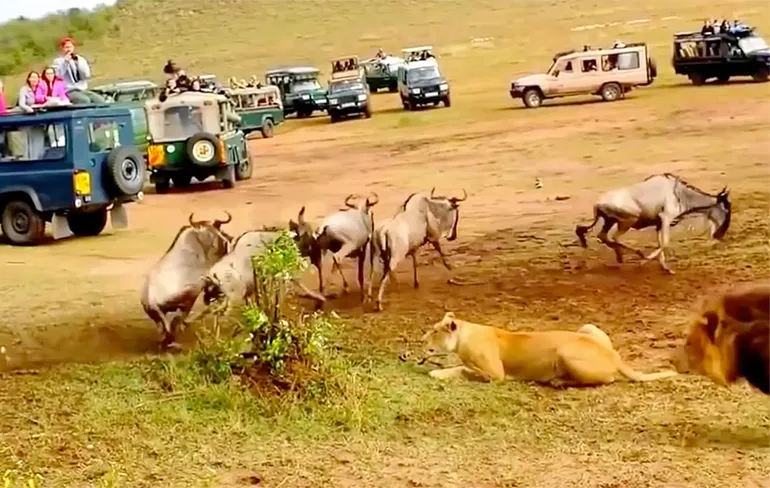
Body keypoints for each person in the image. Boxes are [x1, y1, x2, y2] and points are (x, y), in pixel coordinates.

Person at [52, 37, 104, 104]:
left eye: (70, 47)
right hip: (68, 90)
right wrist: (65, 63)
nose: (69, 49)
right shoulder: (58, 61)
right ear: (62, 49)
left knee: (99, 100)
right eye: (66, 47)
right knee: (84, 100)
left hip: (82, 89)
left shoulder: (80, 59)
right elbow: (58, 76)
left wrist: (79, 64)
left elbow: (86, 75)